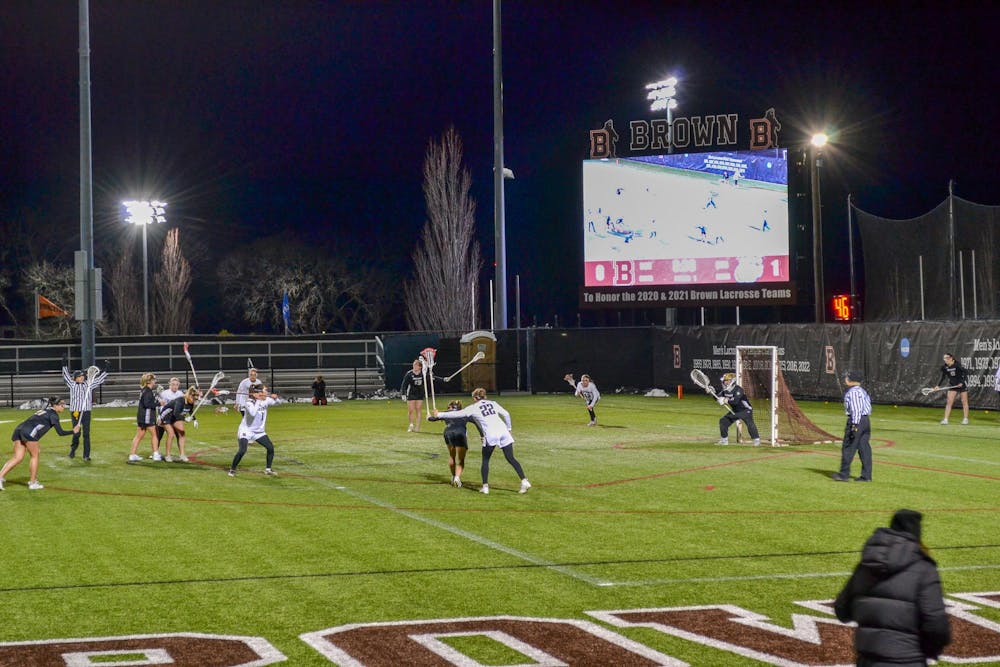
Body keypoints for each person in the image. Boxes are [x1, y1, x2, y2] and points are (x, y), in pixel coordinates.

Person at [834, 509, 951, 666]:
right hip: (908, 660)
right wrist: (931, 651)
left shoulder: (865, 566)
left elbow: (842, 611)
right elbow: (936, 625)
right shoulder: (924, 568)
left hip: (867, 661)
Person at [431, 387, 530, 495]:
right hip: (503, 431)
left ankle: (485, 487)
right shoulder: (493, 403)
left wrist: (439, 414)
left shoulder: (474, 408)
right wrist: (509, 429)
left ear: (474, 398)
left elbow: (458, 414)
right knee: (511, 458)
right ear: (484, 396)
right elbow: (506, 414)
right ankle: (524, 481)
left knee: (485, 460)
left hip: (491, 434)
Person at [1, 397, 80, 491]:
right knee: (35, 456)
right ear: (55, 405)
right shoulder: (54, 415)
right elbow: (60, 432)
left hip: (19, 429)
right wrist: (73, 431)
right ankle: (33, 482)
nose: (64, 406)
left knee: (17, 458)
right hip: (29, 433)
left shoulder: (44, 410)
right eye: (61, 404)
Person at [427, 399, 482, 487]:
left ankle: (453, 477)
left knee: (452, 456)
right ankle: (457, 478)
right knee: (461, 459)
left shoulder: (446, 413)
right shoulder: (464, 413)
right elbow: (476, 421)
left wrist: (428, 416)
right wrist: (482, 434)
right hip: (460, 433)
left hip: (448, 432)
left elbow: (432, 419)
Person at [229, 383, 279, 477]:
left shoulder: (266, 400)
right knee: (242, 450)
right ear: (258, 393)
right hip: (246, 430)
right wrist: (259, 400)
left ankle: (268, 469)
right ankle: (232, 469)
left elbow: (278, 402)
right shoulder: (248, 403)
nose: (266, 393)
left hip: (259, 432)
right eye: (265, 391)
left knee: (270, 448)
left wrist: (275, 398)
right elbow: (252, 413)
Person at [62, 362, 108, 461]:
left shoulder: (88, 384)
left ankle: (86, 455)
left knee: (86, 434)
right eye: (79, 376)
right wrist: (64, 364)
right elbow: (66, 376)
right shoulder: (72, 385)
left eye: (83, 376)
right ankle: (73, 449)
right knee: (76, 433)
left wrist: (106, 370)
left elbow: (99, 380)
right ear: (75, 378)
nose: (82, 377)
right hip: (75, 412)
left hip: (86, 412)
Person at [832, 370, 873, 482]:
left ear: (850, 380)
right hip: (865, 421)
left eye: (847, 378)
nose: (845, 379)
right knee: (864, 449)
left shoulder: (853, 392)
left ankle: (844, 474)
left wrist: (854, 425)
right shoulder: (863, 391)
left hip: (857, 420)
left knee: (848, 447)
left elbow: (856, 409)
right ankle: (866, 476)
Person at [716, 372, 761, 446]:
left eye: (728, 380)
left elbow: (735, 401)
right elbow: (717, 397)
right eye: (725, 380)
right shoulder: (725, 391)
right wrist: (710, 391)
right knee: (723, 421)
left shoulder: (738, 389)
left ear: (732, 381)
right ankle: (724, 440)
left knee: (750, 424)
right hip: (735, 410)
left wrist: (725, 400)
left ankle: (756, 440)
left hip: (745, 410)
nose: (726, 382)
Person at [158, 386, 201, 462]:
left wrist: (195, 419)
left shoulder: (190, 402)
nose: (194, 401)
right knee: (171, 434)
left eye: (196, 400)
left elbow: (190, 411)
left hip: (175, 417)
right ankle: (168, 455)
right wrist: (185, 419)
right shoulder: (180, 401)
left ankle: (182, 455)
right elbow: (176, 413)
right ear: (190, 395)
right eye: (194, 399)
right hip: (167, 416)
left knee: (182, 433)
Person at [128, 373, 161, 462]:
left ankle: (132, 454)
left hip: (142, 416)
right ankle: (156, 454)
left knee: (138, 436)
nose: (155, 381)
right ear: (149, 381)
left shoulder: (144, 390)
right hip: (147, 417)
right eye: (153, 380)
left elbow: (148, 401)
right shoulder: (148, 391)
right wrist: (159, 404)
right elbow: (147, 404)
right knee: (155, 435)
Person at [934, 353, 969, 424]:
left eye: (946, 358)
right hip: (953, 385)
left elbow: (966, 373)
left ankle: (965, 419)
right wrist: (938, 385)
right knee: (949, 402)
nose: (945, 360)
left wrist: (962, 382)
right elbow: (943, 377)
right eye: (944, 358)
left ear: (951, 358)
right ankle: (946, 419)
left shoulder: (958, 365)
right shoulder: (944, 367)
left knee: (964, 401)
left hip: (962, 385)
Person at [156, 377, 185, 448]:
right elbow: (160, 407)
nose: (175, 386)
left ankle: (182, 453)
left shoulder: (180, 394)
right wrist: (159, 416)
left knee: (179, 435)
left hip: (175, 418)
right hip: (165, 417)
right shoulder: (164, 393)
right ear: (169, 384)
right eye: (173, 384)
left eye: (177, 385)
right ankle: (155, 453)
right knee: (159, 435)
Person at [399, 359, 425, 432]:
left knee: (418, 410)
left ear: (420, 367)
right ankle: (411, 424)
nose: (414, 366)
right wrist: (403, 394)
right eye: (414, 365)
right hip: (411, 394)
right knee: (411, 410)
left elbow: (433, 378)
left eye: (416, 365)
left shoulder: (423, 373)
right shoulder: (409, 374)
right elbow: (404, 384)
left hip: (420, 394)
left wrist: (443, 379)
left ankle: (417, 427)